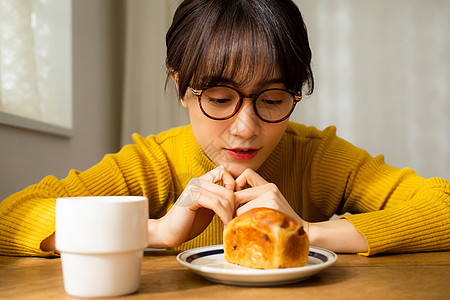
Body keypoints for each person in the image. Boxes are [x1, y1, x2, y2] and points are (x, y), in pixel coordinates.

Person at [1, 0, 449, 257]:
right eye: (219, 99)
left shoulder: (317, 156)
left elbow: (443, 206)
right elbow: (12, 216)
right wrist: (155, 230)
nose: (245, 129)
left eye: (273, 100)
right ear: (181, 86)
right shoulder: (152, 162)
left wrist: (306, 231)